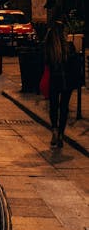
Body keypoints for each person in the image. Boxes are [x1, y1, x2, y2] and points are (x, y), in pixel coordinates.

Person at [44, 17, 80, 148]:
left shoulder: (50, 47)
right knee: (64, 108)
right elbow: (75, 64)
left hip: (54, 80)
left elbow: (46, 62)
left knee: (53, 106)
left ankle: (54, 129)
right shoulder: (69, 46)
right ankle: (60, 134)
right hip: (67, 81)